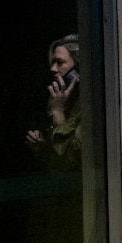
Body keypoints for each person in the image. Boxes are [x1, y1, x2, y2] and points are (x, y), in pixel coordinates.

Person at [25, 33, 82, 172]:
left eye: (60, 63)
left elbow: (72, 160)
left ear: (77, 70)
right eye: (52, 63)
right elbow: (58, 166)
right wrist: (43, 149)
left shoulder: (90, 106)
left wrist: (58, 113)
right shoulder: (66, 102)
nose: (53, 69)